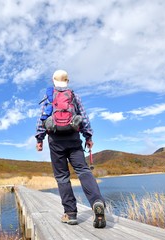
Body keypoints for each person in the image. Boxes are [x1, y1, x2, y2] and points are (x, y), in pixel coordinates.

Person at [35, 69, 106, 228]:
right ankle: (97, 202)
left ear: (53, 80)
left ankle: (71, 213)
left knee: (62, 176)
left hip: (55, 140)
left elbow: (42, 119)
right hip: (73, 138)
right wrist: (88, 137)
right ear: (67, 81)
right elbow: (84, 118)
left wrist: (39, 139)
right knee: (83, 170)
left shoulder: (49, 96)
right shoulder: (74, 96)